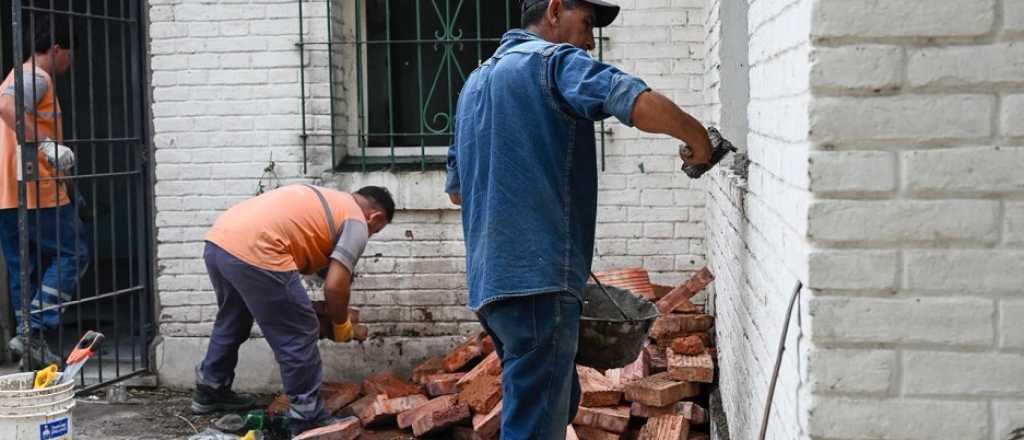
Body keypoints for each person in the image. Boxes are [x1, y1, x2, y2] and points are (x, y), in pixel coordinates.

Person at [444, 1, 713, 438]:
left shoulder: (473, 84)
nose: (589, 40)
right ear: (554, 10)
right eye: (586, 23)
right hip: (537, 284)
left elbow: (458, 191)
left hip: (490, 284)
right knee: (536, 424)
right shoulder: (553, 62)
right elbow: (633, 100)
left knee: (552, 399)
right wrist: (697, 138)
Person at [191, 184, 395, 436]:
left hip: (219, 242)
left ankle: (210, 389)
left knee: (233, 319)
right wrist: (342, 325)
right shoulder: (356, 222)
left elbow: (323, 264)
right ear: (374, 217)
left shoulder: (331, 201)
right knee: (299, 332)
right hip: (259, 249)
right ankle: (307, 415)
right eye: (375, 229)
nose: (370, 234)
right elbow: (335, 286)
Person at [0, 16, 88, 370]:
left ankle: (30, 342)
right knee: (74, 254)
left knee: (24, 267)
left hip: (7, 191)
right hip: (37, 190)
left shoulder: (15, 73)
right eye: (70, 54)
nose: (70, 62)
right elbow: (6, 106)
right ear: (56, 49)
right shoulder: (37, 77)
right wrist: (48, 143)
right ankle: (33, 327)